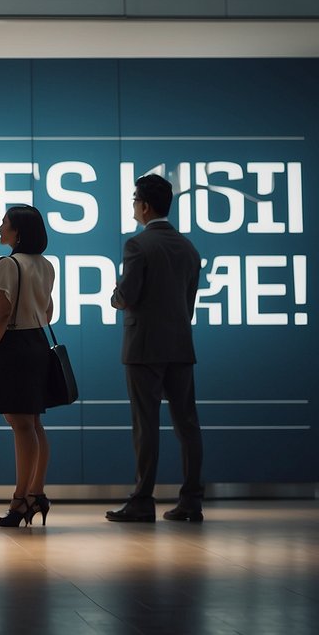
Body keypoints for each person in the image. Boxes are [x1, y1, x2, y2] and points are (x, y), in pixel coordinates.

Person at [106, 174, 205, 523]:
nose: (134, 206)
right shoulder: (188, 247)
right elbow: (188, 302)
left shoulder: (137, 245)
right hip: (180, 344)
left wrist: (115, 296)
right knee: (187, 425)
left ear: (145, 206)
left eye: (135, 200)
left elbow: (127, 296)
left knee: (145, 425)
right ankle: (191, 501)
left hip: (143, 346)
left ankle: (142, 501)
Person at [0, 205, 56, 528]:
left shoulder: (7, 265)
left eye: (5, 224)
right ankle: (36, 493)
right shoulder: (46, 265)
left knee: (21, 425)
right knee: (33, 423)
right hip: (38, 343)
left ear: (18, 233)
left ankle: (20, 499)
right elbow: (49, 312)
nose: (0, 228)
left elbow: (1, 313)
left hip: (15, 347)